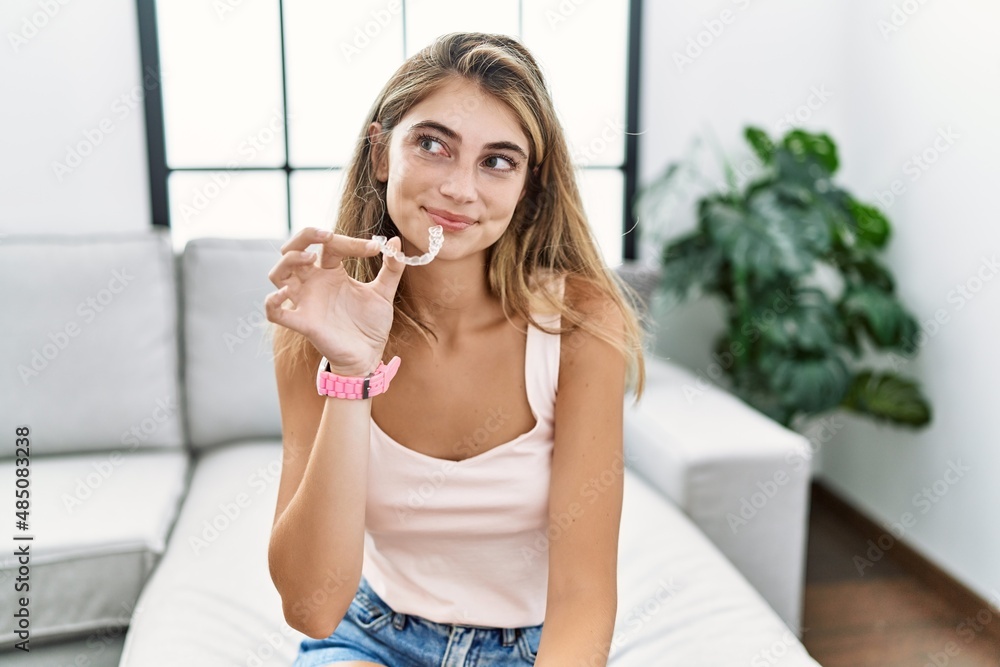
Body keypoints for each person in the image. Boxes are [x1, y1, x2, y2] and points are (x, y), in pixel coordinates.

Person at [264, 31, 647, 667]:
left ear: (530, 183)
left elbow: (583, 596)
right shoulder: (317, 330)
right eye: (433, 145)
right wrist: (353, 371)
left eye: (497, 160)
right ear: (382, 153)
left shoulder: (578, 324)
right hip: (368, 636)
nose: (460, 189)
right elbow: (312, 606)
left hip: (529, 647)